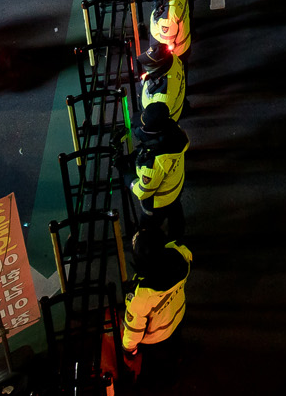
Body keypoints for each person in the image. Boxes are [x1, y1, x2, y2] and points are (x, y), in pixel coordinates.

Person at [115, 225, 193, 383]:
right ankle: (175, 361)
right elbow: (177, 248)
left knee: (158, 367)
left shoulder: (140, 296)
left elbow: (134, 331)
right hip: (177, 318)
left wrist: (128, 350)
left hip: (156, 337)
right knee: (173, 348)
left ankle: (163, 380)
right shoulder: (182, 257)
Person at [129, 100, 189, 242]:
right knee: (176, 214)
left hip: (158, 203)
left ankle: (153, 249)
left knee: (148, 229)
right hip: (175, 188)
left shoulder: (154, 162)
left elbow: (143, 191)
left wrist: (129, 178)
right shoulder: (175, 132)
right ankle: (177, 240)